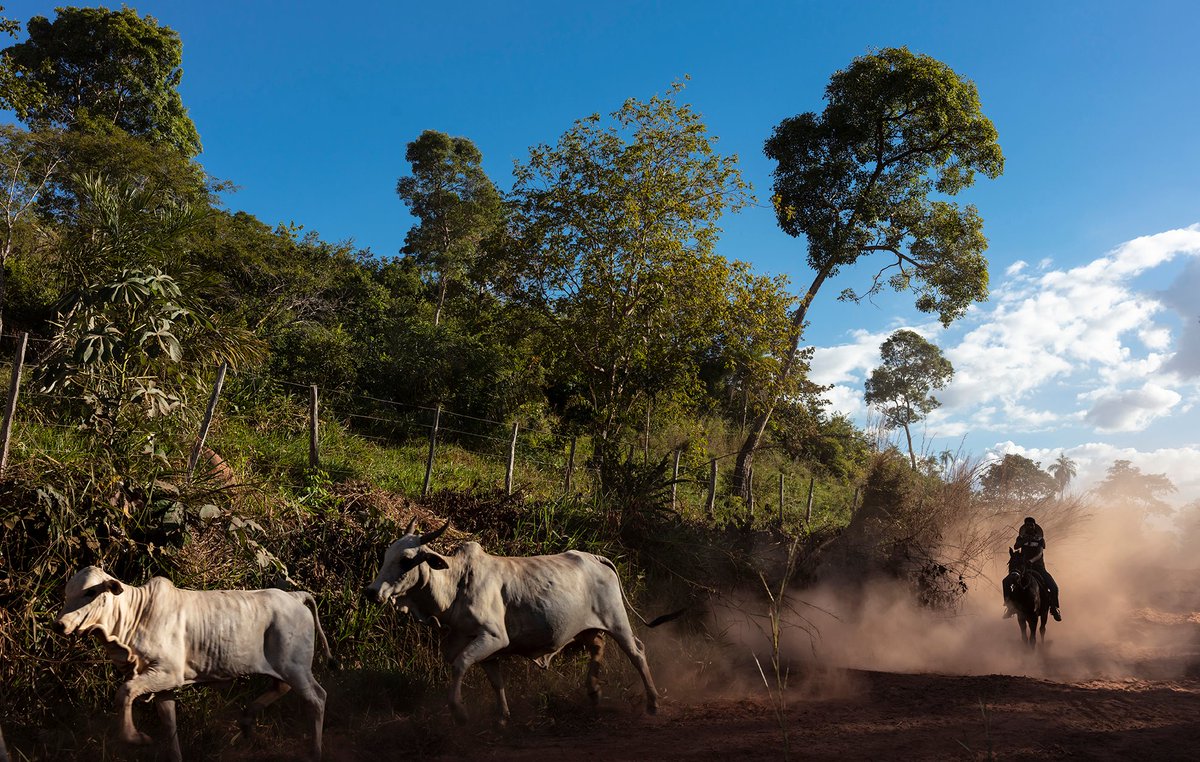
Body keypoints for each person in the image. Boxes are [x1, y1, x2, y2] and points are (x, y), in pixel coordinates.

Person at [1004, 516, 1061, 621]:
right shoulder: (1021, 538)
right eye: (1027, 525)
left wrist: (1032, 561)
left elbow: (1040, 553)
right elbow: (1016, 546)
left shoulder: (1040, 539)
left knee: (1054, 587)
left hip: (1039, 568)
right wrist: (1024, 540)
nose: (1030, 526)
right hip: (1023, 568)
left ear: (1035, 526)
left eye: (1031, 525)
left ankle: (1054, 608)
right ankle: (1009, 607)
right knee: (1006, 581)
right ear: (1025, 526)